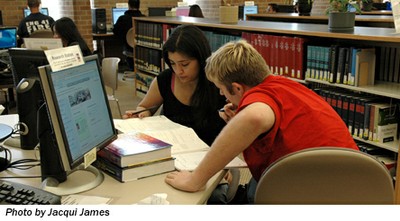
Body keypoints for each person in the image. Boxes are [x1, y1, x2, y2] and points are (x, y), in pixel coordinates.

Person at [164, 40, 359, 204]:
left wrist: (195, 180)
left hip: (316, 196)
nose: (221, 95)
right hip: (352, 186)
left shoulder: (258, 100)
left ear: (237, 88)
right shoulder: (283, 84)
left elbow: (254, 117)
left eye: (221, 88)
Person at [124, 24, 226, 147]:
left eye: (185, 64)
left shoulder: (219, 83)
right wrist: (142, 114)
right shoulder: (165, 80)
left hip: (211, 154)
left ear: (201, 58)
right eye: (172, 63)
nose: (178, 71)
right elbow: (144, 106)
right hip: (174, 153)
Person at [113, 0, 145, 70]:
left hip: (129, 50)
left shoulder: (122, 19)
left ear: (129, 5)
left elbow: (115, 32)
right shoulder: (144, 18)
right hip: (142, 51)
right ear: (139, 6)